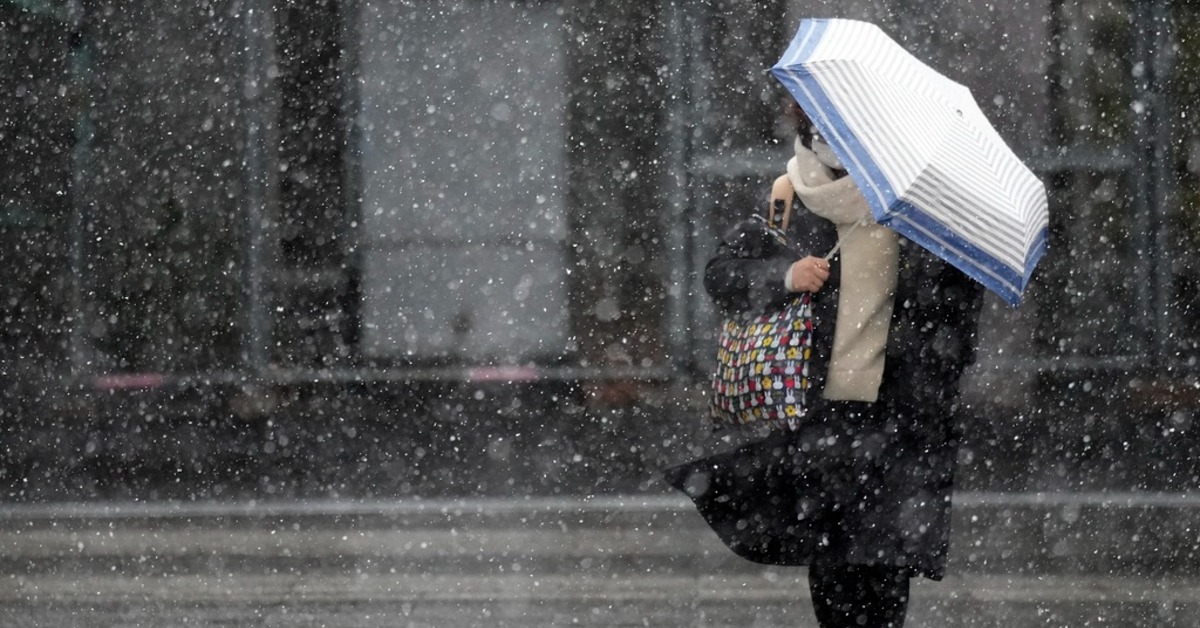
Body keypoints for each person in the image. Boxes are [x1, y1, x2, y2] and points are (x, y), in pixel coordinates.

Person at [666, 101, 984, 628]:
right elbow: (722, 275)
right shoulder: (789, 194)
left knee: (882, 572)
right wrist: (786, 276)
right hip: (819, 419)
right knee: (835, 571)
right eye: (827, 125)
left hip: (899, 417)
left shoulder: (918, 205)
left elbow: (957, 310)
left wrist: (921, 335)